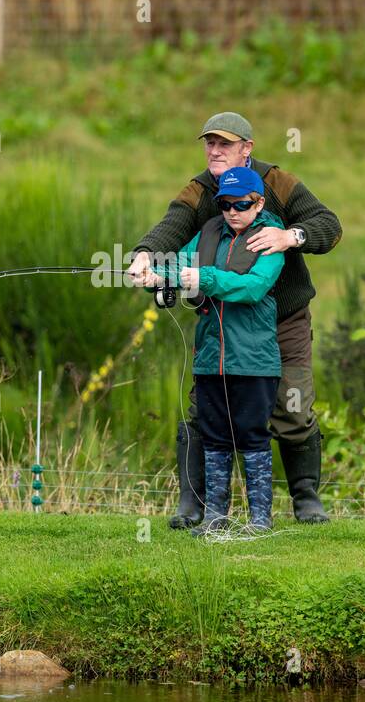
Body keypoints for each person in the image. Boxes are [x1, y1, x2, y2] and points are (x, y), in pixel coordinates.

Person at [128, 111, 342, 525]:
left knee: (292, 408)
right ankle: (193, 504)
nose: (214, 150)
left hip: (283, 318)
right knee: (204, 411)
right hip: (225, 324)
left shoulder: (278, 183)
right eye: (209, 142)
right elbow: (172, 227)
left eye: (224, 143)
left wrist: (289, 237)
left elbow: (328, 226)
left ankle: (305, 499)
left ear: (247, 149)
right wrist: (145, 256)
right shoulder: (202, 188)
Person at [146, 166, 284, 532]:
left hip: (254, 362)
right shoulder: (209, 232)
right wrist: (154, 271)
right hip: (210, 359)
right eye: (225, 204)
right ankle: (215, 518)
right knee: (215, 436)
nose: (233, 212)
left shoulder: (271, 239)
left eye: (241, 204)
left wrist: (202, 277)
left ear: (259, 203)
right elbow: (180, 262)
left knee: (252, 436)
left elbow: (254, 287)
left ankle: (260, 520)